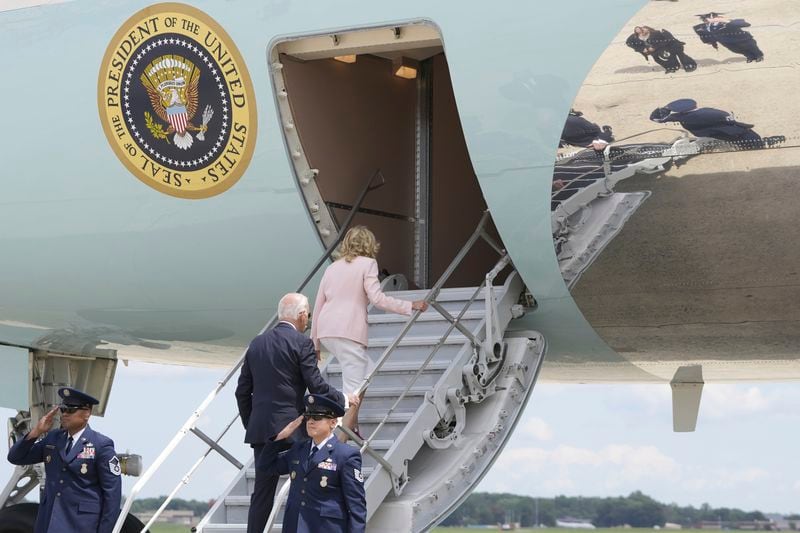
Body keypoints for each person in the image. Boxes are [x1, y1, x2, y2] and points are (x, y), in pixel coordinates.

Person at [235, 292, 348, 533]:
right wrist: (344, 399)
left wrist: (254, 425)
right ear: (299, 316)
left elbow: (242, 393)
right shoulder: (301, 343)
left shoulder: (257, 343)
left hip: (263, 430)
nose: (307, 319)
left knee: (262, 494)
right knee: (306, 487)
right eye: (307, 315)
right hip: (295, 430)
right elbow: (316, 385)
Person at [311, 226, 428, 439]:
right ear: (369, 244)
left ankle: (351, 424)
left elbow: (318, 305)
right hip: (349, 331)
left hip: (327, 331)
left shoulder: (332, 268)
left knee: (368, 370)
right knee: (353, 391)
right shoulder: (368, 264)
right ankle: (339, 441)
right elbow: (377, 299)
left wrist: (315, 344)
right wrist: (410, 305)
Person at [7, 387, 121, 533]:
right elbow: (15, 457)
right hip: (49, 523)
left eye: (71, 410)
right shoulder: (53, 439)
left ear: (86, 413)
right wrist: (36, 432)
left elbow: (112, 496)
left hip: (81, 526)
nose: (65, 414)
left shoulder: (101, 445)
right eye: (63, 409)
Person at [262, 394, 366, 533]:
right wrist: (281, 437)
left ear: (333, 423)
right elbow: (266, 466)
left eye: (317, 417)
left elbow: (356, 506)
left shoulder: (346, 455)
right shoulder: (298, 449)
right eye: (308, 417)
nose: (311, 421)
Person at [649, 98, 764, 148]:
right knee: (737, 135)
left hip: (703, 131)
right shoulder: (706, 112)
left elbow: (657, 119)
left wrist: (665, 109)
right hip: (719, 128)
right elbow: (727, 118)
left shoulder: (681, 116)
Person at [693, 12, 764, 62]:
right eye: (704, 19)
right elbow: (709, 35)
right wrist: (713, 43)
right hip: (727, 42)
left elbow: (745, 24)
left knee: (751, 47)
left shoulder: (725, 21)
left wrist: (721, 20)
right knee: (737, 50)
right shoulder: (705, 27)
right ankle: (750, 57)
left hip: (742, 39)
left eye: (707, 19)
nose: (705, 21)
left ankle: (758, 56)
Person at [626, 25, 697, 73]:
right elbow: (629, 42)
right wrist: (642, 49)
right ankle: (672, 67)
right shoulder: (637, 37)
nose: (642, 31)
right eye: (641, 30)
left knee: (679, 54)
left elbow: (666, 40)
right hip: (659, 49)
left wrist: (654, 47)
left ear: (648, 29)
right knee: (660, 58)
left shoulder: (657, 33)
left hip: (672, 45)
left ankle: (689, 65)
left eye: (643, 29)